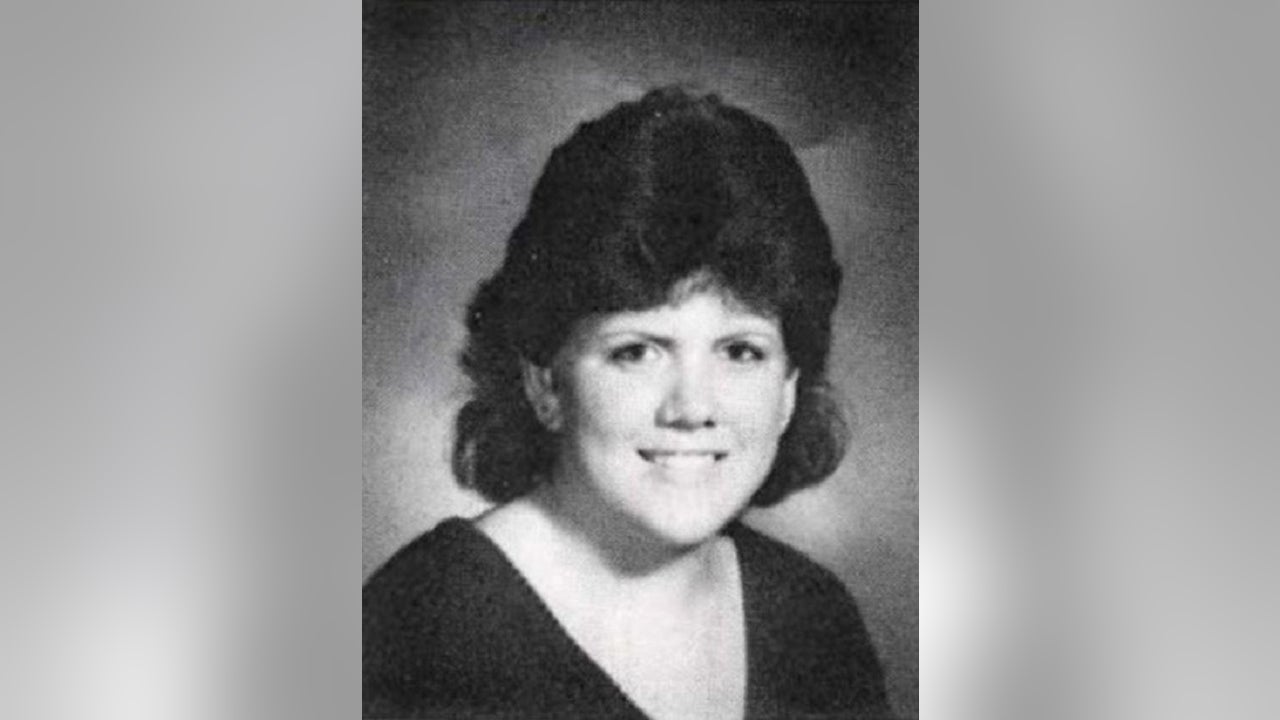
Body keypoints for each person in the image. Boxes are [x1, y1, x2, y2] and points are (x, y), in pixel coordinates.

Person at [363, 87, 894, 720]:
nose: (692, 408)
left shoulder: (812, 617)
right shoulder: (422, 625)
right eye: (637, 351)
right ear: (544, 383)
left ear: (787, 391)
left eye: (740, 351)